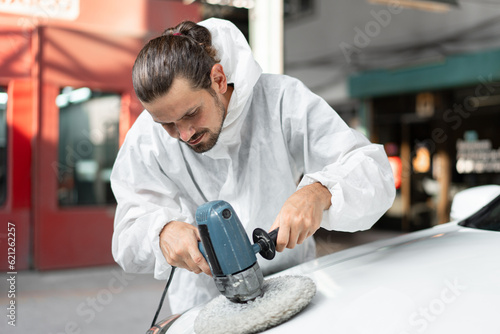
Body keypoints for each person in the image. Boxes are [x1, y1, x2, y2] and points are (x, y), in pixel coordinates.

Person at [110, 18, 395, 314]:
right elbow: (128, 232)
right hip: (203, 306)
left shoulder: (281, 100)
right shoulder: (146, 138)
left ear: (218, 79)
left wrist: (319, 191)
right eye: (167, 124)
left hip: (294, 284)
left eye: (191, 113)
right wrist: (161, 232)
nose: (184, 134)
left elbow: (371, 171)